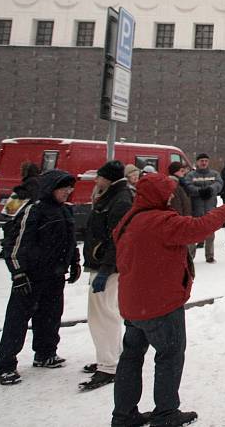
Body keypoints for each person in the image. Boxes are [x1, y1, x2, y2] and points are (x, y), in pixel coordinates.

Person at [111, 173, 225, 427]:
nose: (171, 196)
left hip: (133, 304)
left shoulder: (131, 218)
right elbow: (196, 228)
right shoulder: (160, 221)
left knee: (131, 358)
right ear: (156, 195)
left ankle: (124, 415)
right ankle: (166, 414)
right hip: (161, 303)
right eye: (167, 192)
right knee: (169, 356)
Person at [0, 170, 81, 385]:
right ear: (51, 188)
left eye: (70, 188)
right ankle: (5, 364)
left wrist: (74, 262)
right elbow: (14, 245)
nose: (68, 192)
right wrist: (19, 273)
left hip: (55, 275)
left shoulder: (66, 211)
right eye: (63, 188)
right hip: (31, 276)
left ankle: (45, 353)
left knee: (50, 315)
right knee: (18, 319)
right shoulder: (34, 210)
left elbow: (71, 240)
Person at [79, 160, 134, 391]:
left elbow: (117, 239)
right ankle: (111, 357)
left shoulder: (119, 199)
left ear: (108, 178)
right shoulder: (114, 195)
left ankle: (108, 365)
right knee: (106, 312)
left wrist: (105, 268)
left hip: (107, 267)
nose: (96, 180)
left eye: (99, 176)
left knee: (102, 315)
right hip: (106, 265)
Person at [181, 153, 223, 263]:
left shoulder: (215, 174)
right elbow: (188, 186)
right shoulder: (191, 175)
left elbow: (219, 184)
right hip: (195, 210)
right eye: (201, 161)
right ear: (197, 162)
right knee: (192, 235)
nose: (203, 163)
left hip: (210, 209)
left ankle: (209, 256)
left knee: (210, 234)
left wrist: (210, 189)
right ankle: (190, 257)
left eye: (205, 161)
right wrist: (199, 191)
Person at [168, 162, 194, 259]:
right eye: (182, 171)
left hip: (183, 219)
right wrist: (181, 220)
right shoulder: (173, 185)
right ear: (175, 172)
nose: (184, 174)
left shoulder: (180, 185)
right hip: (180, 221)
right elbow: (176, 206)